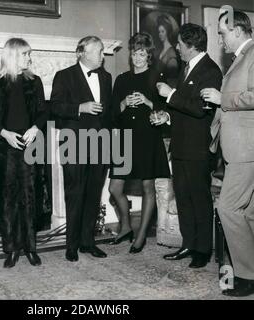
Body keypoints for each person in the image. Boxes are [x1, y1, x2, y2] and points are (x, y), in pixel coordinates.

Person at [155, 23, 222, 268]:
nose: (177, 48)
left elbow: (199, 110)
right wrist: (168, 116)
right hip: (181, 145)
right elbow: (185, 110)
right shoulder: (187, 67)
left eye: (181, 44)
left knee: (199, 198)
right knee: (183, 197)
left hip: (197, 148)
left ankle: (203, 250)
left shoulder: (210, 70)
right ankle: (188, 244)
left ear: (192, 45)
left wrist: (170, 95)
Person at [202, 10, 254, 297]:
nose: (220, 40)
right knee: (248, 212)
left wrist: (222, 99)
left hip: (247, 149)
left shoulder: (252, 55)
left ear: (236, 30)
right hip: (242, 147)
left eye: (222, 33)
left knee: (228, 208)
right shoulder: (241, 59)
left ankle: (247, 276)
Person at [0, 38, 47, 268]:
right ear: (12, 56)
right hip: (5, 148)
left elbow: (43, 112)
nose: (29, 58)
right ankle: (10, 249)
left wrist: (35, 128)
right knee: (8, 200)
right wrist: (4, 133)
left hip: (30, 145)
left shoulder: (35, 82)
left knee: (30, 199)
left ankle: (31, 248)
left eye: (29, 54)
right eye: (25, 54)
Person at [50, 36, 112, 262]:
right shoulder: (64, 76)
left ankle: (88, 242)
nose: (103, 56)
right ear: (82, 53)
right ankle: (71, 245)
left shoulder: (106, 77)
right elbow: (54, 107)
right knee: (74, 194)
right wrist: (80, 108)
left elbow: (109, 113)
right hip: (73, 142)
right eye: (99, 51)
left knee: (94, 195)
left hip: (100, 144)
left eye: (103, 51)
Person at [108, 32, 170, 253]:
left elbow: (167, 112)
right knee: (114, 187)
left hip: (147, 137)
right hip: (124, 138)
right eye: (134, 53)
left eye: (142, 53)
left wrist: (147, 101)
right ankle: (126, 226)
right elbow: (112, 115)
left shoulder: (157, 76)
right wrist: (124, 102)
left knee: (147, 187)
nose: (137, 57)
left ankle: (141, 235)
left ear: (149, 55)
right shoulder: (122, 79)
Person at [155, 15, 180, 88]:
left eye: (162, 31)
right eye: (159, 32)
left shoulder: (171, 53)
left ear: (167, 32)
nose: (160, 34)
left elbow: (173, 79)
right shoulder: (160, 50)